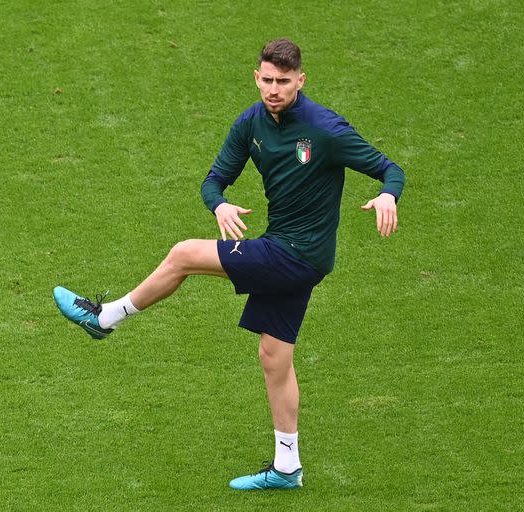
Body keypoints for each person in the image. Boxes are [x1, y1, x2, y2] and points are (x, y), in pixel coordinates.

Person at [53, 38, 405, 491]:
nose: (274, 89)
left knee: (183, 255)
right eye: (267, 80)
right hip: (290, 250)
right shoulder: (250, 124)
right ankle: (286, 468)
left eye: (283, 81)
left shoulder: (326, 130)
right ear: (256, 77)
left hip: (296, 254)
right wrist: (218, 205)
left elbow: (388, 167)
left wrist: (387, 194)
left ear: (301, 80)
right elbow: (214, 179)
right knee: (274, 357)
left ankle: (105, 318)